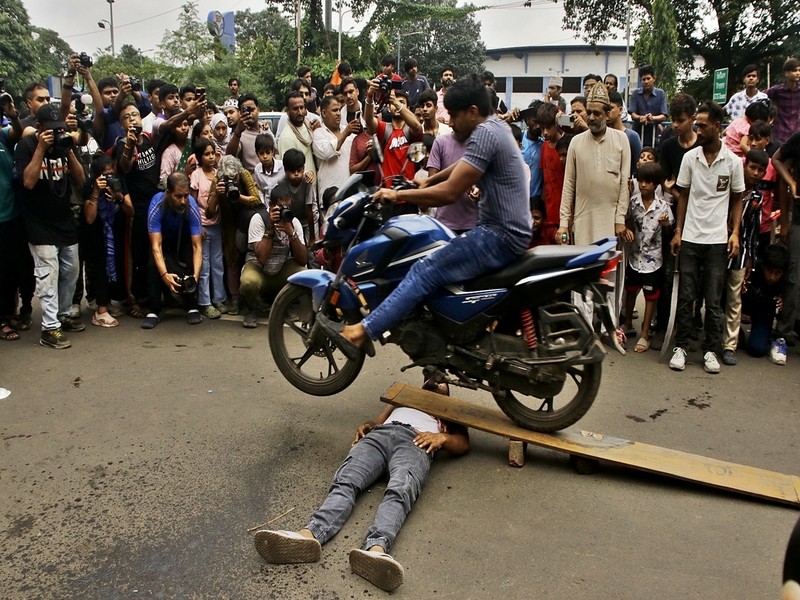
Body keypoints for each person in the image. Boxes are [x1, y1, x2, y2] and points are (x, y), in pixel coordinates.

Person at [317, 75, 531, 360]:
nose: (450, 122)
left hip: (498, 236)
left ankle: (362, 331)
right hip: (505, 232)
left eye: (454, 116)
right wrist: (428, 180)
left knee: (423, 270)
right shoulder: (496, 128)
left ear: (472, 112)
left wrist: (398, 195)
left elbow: (450, 193)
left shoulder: (485, 133)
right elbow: (462, 165)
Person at [252, 382, 469, 592]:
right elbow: (377, 421)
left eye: (443, 382)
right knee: (346, 480)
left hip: (415, 442)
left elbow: (463, 444)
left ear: (448, 392)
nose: (438, 381)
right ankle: (309, 534)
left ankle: (376, 550)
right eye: (434, 377)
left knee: (401, 490)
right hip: (378, 436)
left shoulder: (450, 409)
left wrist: (442, 438)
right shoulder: (406, 395)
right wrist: (367, 425)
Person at [669, 102, 745, 374]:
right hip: (690, 237)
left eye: (702, 126)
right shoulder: (690, 158)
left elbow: (737, 198)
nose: (698, 130)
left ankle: (711, 350)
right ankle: (681, 347)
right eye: (696, 125)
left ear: (716, 126)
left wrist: (734, 233)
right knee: (686, 297)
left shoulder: (733, 161)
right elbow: (683, 196)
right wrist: (678, 231)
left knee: (713, 301)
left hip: (717, 240)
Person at [15, 104, 87, 348]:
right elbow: (27, 182)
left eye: (60, 129)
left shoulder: (63, 145)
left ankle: (63, 314)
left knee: (71, 270)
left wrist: (68, 150)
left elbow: (80, 179)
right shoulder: (26, 146)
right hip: (38, 222)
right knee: (48, 273)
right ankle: (49, 328)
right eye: (52, 130)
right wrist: (41, 149)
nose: (57, 134)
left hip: (63, 219)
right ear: (39, 127)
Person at [720, 149, 769, 366]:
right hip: (716, 247)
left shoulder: (757, 198)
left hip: (739, 254)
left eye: (761, 170)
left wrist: (750, 258)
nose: (756, 173)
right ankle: (708, 335)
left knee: (734, 299)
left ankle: (729, 345)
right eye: (752, 167)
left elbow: (753, 232)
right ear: (744, 165)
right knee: (711, 294)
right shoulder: (728, 188)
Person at [621, 162, 673, 352]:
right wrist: (626, 229)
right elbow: (625, 221)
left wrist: (666, 225)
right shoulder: (632, 203)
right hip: (634, 256)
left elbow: (670, 230)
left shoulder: (663, 206)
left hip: (653, 260)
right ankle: (627, 323)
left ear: (656, 184)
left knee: (650, 296)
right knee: (630, 290)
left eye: (648, 182)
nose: (643, 185)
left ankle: (644, 333)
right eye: (641, 181)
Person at [239, 182, 307, 328]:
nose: (284, 211)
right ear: (271, 206)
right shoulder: (258, 219)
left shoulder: (293, 222)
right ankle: (252, 309)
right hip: (259, 269)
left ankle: (285, 306)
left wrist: (292, 234)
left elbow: (303, 260)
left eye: (288, 207)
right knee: (248, 282)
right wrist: (270, 226)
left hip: (280, 270)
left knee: (303, 272)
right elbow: (262, 258)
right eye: (281, 207)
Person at [142, 172, 203, 329]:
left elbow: (197, 246)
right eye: (178, 196)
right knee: (152, 265)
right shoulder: (157, 204)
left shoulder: (191, 206)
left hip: (183, 238)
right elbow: (156, 246)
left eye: (186, 196)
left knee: (190, 260)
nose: (183, 201)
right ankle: (154, 310)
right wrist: (164, 275)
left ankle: (192, 306)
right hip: (162, 240)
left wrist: (194, 278)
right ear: (168, 193)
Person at [82, 154, 134, 328]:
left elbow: (130, 211)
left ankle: (107, 302)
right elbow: (89, 218)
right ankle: (100, 311)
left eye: (111, 173)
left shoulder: (118, 183)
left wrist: (119, 196)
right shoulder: (90, 185)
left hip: (115, 232)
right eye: (105, 175)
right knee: (100, 268)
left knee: (114, 267)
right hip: (96, 234)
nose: (109, 178)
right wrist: (96, 192)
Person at [0, 91, 34, 340]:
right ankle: (3, 320)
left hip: (11, 213)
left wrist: (13, 116)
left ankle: (10, 313)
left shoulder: (3, 135)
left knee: (13, 268)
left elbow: (18, 132)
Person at [363, 84, 423, 214]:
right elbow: (368, 120)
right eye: (393, 103)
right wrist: (369, 96)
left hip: (409, 196)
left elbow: (417, 127)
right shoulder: (385, 128)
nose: (396, 105)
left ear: (407, 108)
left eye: (402, 102)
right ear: (389, 108)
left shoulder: (410, 130)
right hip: (388, 196)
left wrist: (396, 102)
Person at [189, 138, 226, 319]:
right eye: (206, 154)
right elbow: (192, 203)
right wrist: (197, 226)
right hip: (202, 226)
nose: (211, 157)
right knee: (204, 265)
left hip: (216, 225)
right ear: (199, 157)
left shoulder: (218, 174)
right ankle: (205, 302)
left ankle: (219, 298)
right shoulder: (196, 176)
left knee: (217, 263)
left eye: (212, 153)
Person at [312, 95, 361, 200]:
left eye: (339, 110)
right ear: (324, 113)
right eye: (334, 110)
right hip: (329, 196)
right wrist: (345, 133)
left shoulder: (348, 131)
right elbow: (327, 153)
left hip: (349, 193)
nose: (338, 113)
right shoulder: (318, 134)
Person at [426, 132, 475, 234]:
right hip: (446, 223)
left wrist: (478, 189)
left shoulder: (480, 144)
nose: (451, 124)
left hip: (475, 223)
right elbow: (431, 182)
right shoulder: (440, 142)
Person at [629, 65, 668, 147]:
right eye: (643, 79)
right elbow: (632, 114)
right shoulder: (635, 93)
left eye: (648, 78)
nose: (646, 81)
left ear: (654, 78)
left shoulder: (661, 94)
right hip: (637, 135)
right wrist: (640, 118)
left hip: (654, 137)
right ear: (641, 80)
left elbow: (664, 116)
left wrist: (652, 118)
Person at [766, 58, 800, 144]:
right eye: (794, 70)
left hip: (797, 133)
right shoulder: (777, 90)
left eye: (799, 70)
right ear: (786, 73)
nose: (798, 73)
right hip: (780, 133)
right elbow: (761, 97)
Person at [253, 133, 285, 204]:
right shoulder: (257, 169)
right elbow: (260, 190)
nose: (265, 156)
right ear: (257, 154)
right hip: (267, 206)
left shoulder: (282, 166)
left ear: (273, 152)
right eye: (261, 153)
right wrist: (262, 205)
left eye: (268, 153)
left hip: (283, 203)